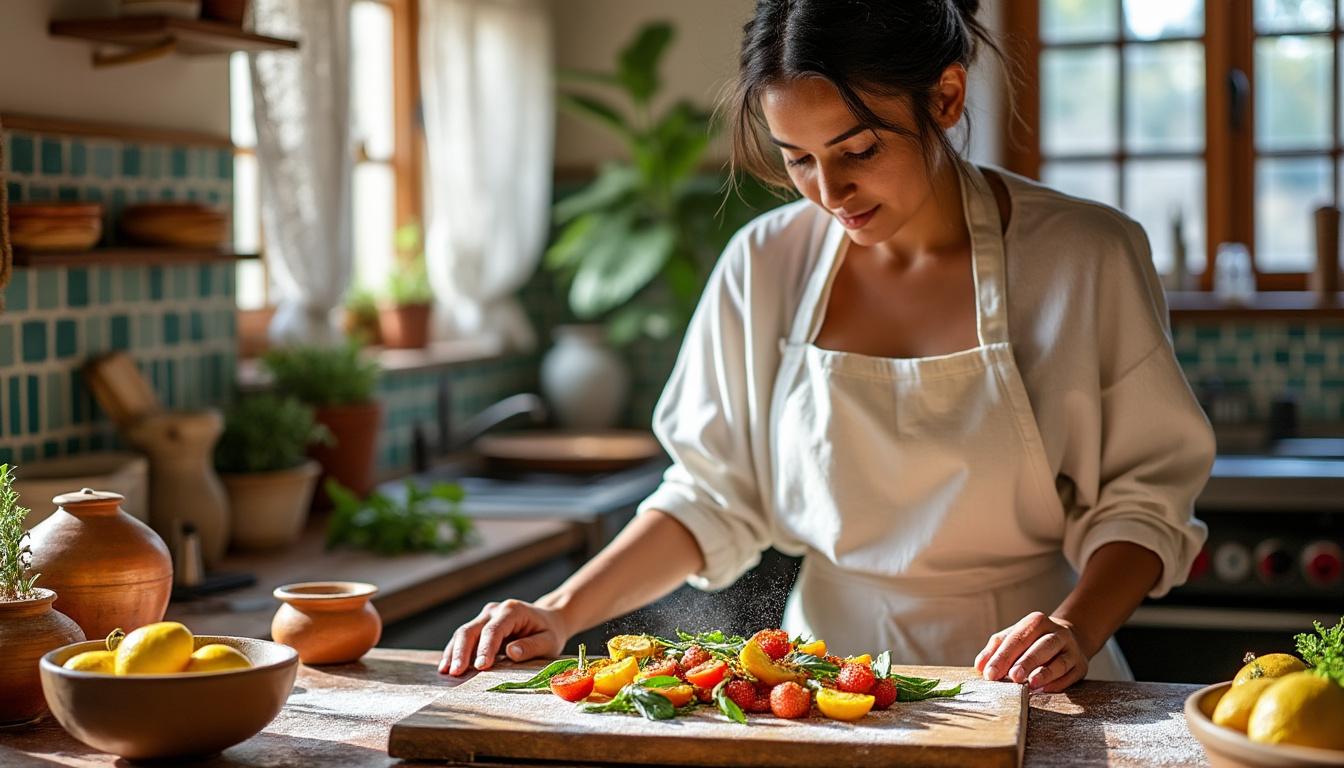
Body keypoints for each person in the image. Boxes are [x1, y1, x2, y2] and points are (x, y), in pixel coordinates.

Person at [440, 0, 1213, 692]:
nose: (829, 192)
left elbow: (1143, 502)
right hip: (815, 681)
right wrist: (559, 610)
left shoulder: (1085, 255)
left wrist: (1074, 629)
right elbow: (712, 494)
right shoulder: (764, 263)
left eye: (860, 150)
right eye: (798, 158)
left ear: (946, 96)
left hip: (1031, 676)